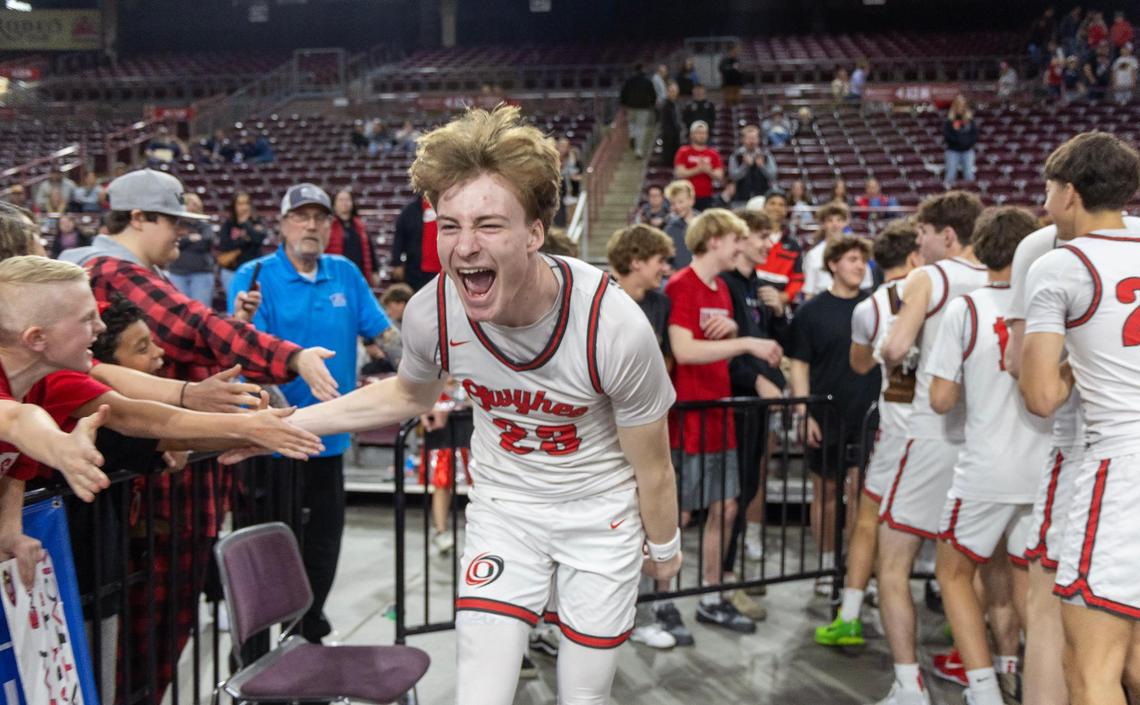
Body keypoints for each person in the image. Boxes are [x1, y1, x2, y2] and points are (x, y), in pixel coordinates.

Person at [227, 105, 683, 705]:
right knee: (479, 693)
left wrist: (666, 549)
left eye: (489, 225)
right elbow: (406, 394)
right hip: (506, 510)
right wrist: (276, 425)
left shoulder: (611, 325)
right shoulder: (432, 310)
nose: (465, 247)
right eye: (449, 225)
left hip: (599, 517)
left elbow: (653, 465)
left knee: (584, 694)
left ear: (534, 232)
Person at [228, 182, 396, 644]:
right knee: (265, 552)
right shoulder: (254, 274)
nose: (311, 225)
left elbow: (384, 336)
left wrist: (429, 370)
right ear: (282, 223)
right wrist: (291, 427)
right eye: (301, 216)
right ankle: (252, 653)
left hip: (329, 443)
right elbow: (251, 364)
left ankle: (305, 638)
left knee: (322, 549)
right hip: (270, 447)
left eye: (320, 217)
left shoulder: (345, 273)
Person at [1020, 131, 1140, 705]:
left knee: (1089, 669)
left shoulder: (1061, 265)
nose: (1045, 202)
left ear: (1069, 193)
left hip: (1120, 466)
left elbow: (1040, 397)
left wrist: (1072, 358)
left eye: (1048, 189)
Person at [927, 207, 1045, 705]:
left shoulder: (966, 307)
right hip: (1042, 468)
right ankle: (1030, 678)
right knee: (1029, 585)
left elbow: (941, 399)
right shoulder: (1046, 307)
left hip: (986, 468)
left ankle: (982, 689)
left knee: (951, 574)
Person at [873, 191, 986, 705]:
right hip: (984, 439)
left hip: (932, 437)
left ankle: (907, 684)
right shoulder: (996, 277)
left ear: (947, 233)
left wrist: (891, 350)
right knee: (974, 569)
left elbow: (895, 348)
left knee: (892, 564)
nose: (916, 243)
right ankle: (986, 677)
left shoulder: (927, 278)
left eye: (923, 232)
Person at [662, 208, 783, 641]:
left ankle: (711, 597)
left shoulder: (722, 289)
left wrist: (733, 328)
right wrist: (747, 340)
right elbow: (686, 350)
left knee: (726, 506)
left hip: (719, 411)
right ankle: (663, 602)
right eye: (736, 238)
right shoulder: (681, 284)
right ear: (714, 239)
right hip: (688, 416)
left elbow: (714, 345)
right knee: (679, 513)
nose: (741, 246)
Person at [815, 219, 921, 647]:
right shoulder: (948, 288)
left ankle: (852, 614)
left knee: (868, 517)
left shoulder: (870, 306)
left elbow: (861, 364)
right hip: (950, 421)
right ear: (914, 256)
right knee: (958, 543)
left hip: (898, 419)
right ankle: (968, 634)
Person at [789, 237, 881, 595]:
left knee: (863, 494)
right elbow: (800, 364)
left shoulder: (874, 307)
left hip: (868, 413)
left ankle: (860, 571)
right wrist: (803, 412)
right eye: (853, 259)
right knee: (825, 491)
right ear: (833, 265)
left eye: (863, 261)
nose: (859, 266)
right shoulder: (811, 312)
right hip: (826, 412)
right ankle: (828, 564)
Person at [720, 209, 788, 597]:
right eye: (761, 236)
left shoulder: (760, 287)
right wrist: (757, 379)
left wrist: (778, 313)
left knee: (746, 486)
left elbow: (777, 342)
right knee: (730, 491)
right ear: (740, 238)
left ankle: (729, 568)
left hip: (757, 402)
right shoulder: (725, 285)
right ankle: (723, 574)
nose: (768, 245)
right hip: (734, 399)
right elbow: (726, 350)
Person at [800, 202, 874, 298]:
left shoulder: (857, 252)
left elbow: (866, 286)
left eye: (839, 220)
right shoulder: (813, 255)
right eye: (830, 220)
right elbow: (809, 291)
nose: (835, 224)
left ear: (845, 222)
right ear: (823, 224)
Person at [166, 193, 216, 308]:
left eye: (195, 204)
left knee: (201, 310)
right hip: (178, 273)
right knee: (179, 309)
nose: (192, 207)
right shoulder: (177, 225)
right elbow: (173, 241)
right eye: (189, 203)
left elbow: (206, 242)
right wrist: (190, 239)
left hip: (201, 273)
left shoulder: (205, 226)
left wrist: (184, 242)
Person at [756, 191, 805, 303]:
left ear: (786, 210)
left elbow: (797, 279)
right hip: (751, 299)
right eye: (772, 203)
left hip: (779, 304)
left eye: (781, 205)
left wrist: (784, 296)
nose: (776, 208)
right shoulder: (752, 238)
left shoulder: (794, 246)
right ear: (764, 207)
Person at [325, 188, 380, 286]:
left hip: (359, 275)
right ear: (334, 204)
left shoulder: (360, 226)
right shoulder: (328, 226)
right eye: (341, 200)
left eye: (347, 200)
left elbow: (369, 250)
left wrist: (374, 271)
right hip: (336, 275)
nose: (344, 203)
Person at [216, 191, 268, 292]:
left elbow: (258, 239)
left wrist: (245, 223)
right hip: (232, 271)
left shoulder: (257, 222)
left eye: (246, 203)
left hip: (253, 272)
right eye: (240, 204)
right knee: (234, 304)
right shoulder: (228, 225)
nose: (243, 207)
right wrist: (245, 240)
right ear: (234, 206)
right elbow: (225, 246)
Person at [392, 195, 442, 291]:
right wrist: (397, 263)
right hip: (416, 272)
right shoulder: (409, 211)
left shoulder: (448, 208)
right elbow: (399, 238)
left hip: (444, 271)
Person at [674, 121, 724, 212]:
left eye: (704, 133)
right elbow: (680, 173)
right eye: (699, 133)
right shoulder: (683, 151)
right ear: (692, 135)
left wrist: (708, 171)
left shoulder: (713, 153)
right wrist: (698, 170)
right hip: (687, 196)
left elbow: (719, 175)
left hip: (706, 196)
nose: (702, 135)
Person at [728, 125, 776, 206]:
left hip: (762, 198)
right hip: (741, 198)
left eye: (754, 138)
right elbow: (733, 176)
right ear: (743, 139)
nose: (752, 141)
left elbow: (773, 175)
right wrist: (744, 166)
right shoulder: (736, 155)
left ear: (758, 139)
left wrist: (762, 166)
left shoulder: (766, 155)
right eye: (749, 138)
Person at [620, 64, 658, 159]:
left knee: (632, 123)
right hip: (643, 107)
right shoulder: (647, 81)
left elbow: (623, 93)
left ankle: (632, 135)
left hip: (631, 106)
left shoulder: (629, 81)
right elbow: (653, 94)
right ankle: (638, 150)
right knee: (641, 128)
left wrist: (624, 103)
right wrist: (652, 104)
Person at [663, 179, 699, 270]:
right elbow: (665, 258)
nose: (677, 207)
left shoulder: (705, 224)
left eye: (680, 202)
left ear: (691, 200)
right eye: (673, 203)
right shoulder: (670, 229)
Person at [944, 95, 978, 186]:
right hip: (953, 151)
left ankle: (970, 197)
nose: (960, 106)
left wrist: (967, 143)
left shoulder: (970, 120)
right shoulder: (949, 121)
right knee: (950, 175)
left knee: (969, 175)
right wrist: (959, 142)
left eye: (962, 104)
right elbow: (947, 136)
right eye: (958, 104)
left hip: (968, 151)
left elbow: (974, 134)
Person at [658, 81, 683, 167]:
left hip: (677, 137)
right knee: (668, 162)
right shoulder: (665, 105)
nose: (673, 93)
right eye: (671, 91)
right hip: (669, 139)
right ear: (667, 92)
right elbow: (665, 124)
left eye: (675, 91)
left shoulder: (677, 104)